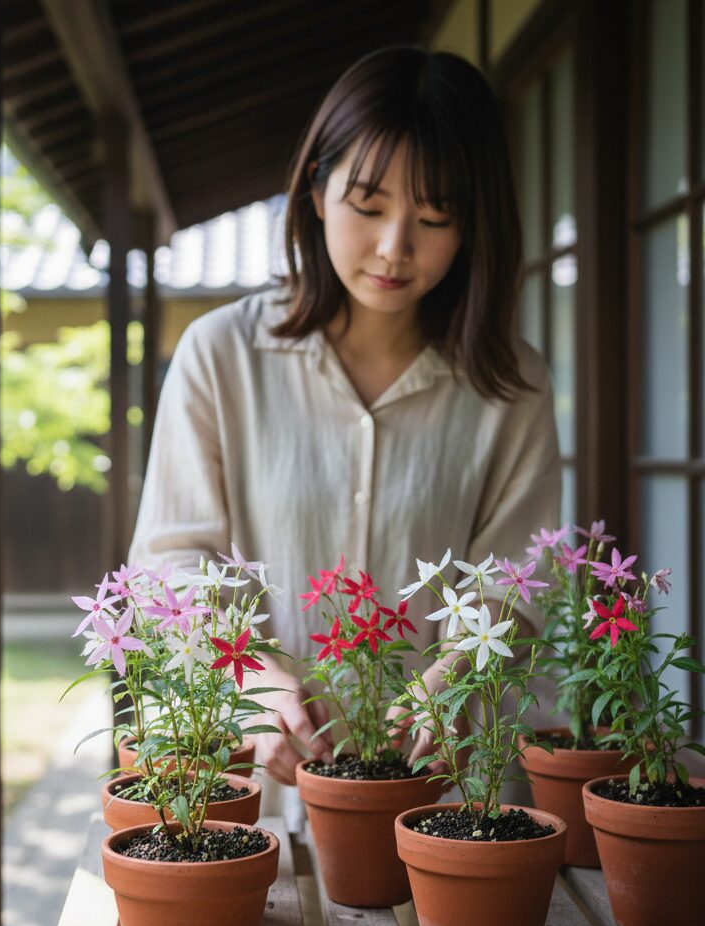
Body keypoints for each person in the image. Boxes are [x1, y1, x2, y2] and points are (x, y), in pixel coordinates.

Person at [128, 46, 562, 811]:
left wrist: (452, 672)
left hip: (448, 797)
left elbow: (516, 581)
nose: (396, 246)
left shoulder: (509, 383)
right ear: (317, 191)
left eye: (434, 217)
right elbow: (170, 562)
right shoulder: (222, 354)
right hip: (253, 794)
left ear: (473, 226)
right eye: (368, 204)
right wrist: (251, 673)